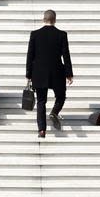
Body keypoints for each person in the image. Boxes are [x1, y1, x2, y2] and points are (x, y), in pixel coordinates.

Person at [26, 10, 73, 138]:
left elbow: (30, 55)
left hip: (39, 73)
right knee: (61, 96)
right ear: (55, 20)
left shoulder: (35, 34)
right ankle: (54, 112)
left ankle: (42, 130)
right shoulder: (61, 35)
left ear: (43, 19)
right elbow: (66, 55)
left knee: (41, 101)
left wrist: (28, 74)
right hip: (57, 72)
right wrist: (69, 73)